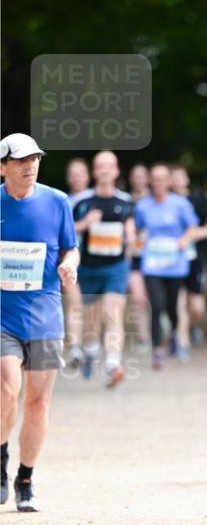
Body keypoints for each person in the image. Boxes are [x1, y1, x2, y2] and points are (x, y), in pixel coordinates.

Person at [1, 133, 78, 511]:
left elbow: (71, 247)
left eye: (34, 159)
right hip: (3, 316)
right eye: (20, 160)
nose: (30, 166)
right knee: (6, 390)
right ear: (3, 167)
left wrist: (69, 266)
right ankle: (1, 458)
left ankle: (25, 479)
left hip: (45, 316)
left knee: (37, 401)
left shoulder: (57, 201)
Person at [71, 151, 135, 386]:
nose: (105, 170)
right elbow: (67, 231)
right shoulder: (82, 202)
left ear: (116, 171)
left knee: (113, 310)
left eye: (109, 166)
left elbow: (131, 227)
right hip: (88, 268)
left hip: (115, 267)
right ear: (94, 171)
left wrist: (130, 237)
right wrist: (86, 223)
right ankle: (90, 349)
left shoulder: (126, 202)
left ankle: (113, 362)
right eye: (100, 166)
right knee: (92, 319)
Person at [134, 163, 199, 369]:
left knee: (172, 307)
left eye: (162, 178)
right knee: (156, 305)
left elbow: (193, 226)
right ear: (150, 181)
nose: (158, 183)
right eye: (155, 179)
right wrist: (135, 240)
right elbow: (135, 229)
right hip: (152, 264)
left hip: (175, 263)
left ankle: (173, 334)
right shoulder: (143, 206)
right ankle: (157, 351)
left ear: (169, 181)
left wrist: (184, 240)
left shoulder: (180, 204)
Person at [170, 164, 207, 347]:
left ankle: (191, 326)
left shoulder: (197, 200)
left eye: (180, 176)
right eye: (173, 177)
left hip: (196, 259)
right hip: (172, 260)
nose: (176, 180)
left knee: (197, 307)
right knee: (178, 301)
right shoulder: (164, 201)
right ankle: (181, 341)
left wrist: (194, 234)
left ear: (186, 179)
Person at [63, 157, 90, 368]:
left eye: (80, 173)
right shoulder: (62, 201)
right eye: (72, 174)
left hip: (95, 261)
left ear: (88, 176)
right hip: (71, 258)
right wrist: (86, 223)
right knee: (75, 302)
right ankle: (75, 347)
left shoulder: (98, 198)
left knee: (93, 307)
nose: (76, 178)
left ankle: (89, 343)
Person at [127, 163, 151, 351]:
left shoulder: (157, 200)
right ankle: (144, 338)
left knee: (156, 297)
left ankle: (161, 323)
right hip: (134, 256)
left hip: (156, 256)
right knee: (138, 298)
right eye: (135, 176)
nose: (138, 180)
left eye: (141, 176)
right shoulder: (125, 201)